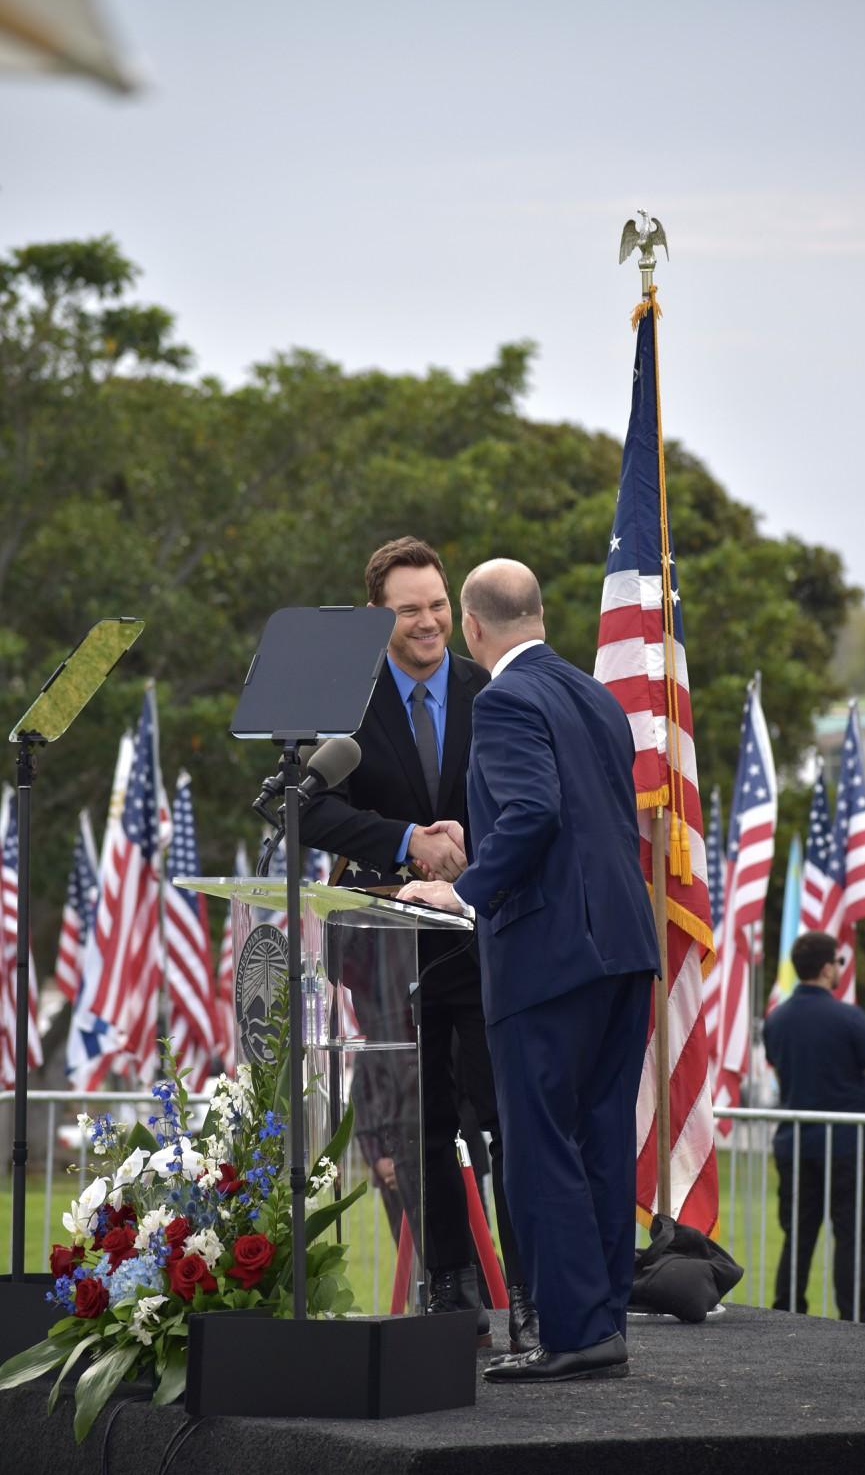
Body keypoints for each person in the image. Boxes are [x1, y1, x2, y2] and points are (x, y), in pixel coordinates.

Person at [398, 558, 660, 1384]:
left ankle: (576, 1330)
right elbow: (577, 819)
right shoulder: (595, 696)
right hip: (622, 946)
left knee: (542, 1143)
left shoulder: (503, 698)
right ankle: (601, 1321)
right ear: (542, 614)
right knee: (604, 1139)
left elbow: (535, 812)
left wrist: (464, 888)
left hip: (548, 958)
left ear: (474, 630)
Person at [298, 536, 537, 1352]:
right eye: (410, 609)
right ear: (377, 617)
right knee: (423, 1124)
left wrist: (473, 846)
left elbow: (528, 798)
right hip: (385, 951)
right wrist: (408, 839)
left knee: (502, 1116)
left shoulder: (489, 689)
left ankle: (534, 1293)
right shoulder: (347, 701)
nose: (429, 621)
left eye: (438, 604)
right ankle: (452, 1289)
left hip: (485, 939)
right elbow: (304, 808)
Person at [763, 930, 865, 1322]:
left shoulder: (776, 1020)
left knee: (798, 1237)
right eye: (838, 962)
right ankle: (853, 1320)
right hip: (848, 1146)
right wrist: (857, 1102)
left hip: (796, 1143)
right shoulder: (849, 1017)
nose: (841, 968)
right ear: (825, 968)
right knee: (852, 1239)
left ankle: (787, 1314)